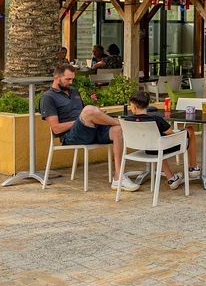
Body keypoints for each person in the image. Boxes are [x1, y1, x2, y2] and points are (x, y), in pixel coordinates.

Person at [39, 62, 137, 191]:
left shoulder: (74, 91)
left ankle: (118, 177)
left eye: (72, 79)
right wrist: (82, 119)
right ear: (57, 77)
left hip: (90, 129)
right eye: (68, 79)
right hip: (72, 136)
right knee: (89, 110)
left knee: (116, 130)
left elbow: (85, 113)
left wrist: (96, 115)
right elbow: (56, 128)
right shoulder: (48, 98)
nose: (71, 82)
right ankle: (120, 122)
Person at [124, 91, 200, 188]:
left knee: (159, 140)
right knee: (190, 130)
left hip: (147, 149)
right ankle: (193, 168)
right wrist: (178, 133)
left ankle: (171, 178)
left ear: (134, 107)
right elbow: (171, 133)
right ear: (147, 105)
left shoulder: (128, 120)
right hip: (159, 148)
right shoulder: (156, 119)